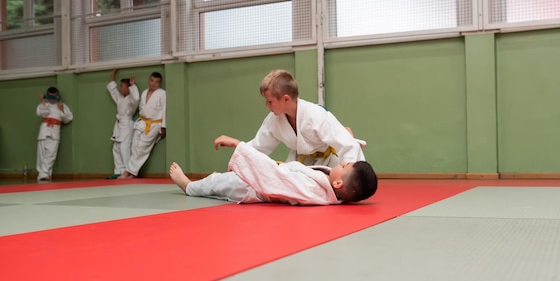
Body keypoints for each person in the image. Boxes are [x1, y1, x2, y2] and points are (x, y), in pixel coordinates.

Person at [169, 135, 378, 205]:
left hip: (255, 187)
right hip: (265, 178)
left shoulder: (313, 190)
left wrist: (239, 145)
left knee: (217, 182)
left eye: (342, 166)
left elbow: (277, 177)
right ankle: (196, 185)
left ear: (338, 184)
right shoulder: (327, 188)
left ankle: (189, 186)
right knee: (220, 184)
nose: (339, 163)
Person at [247, 69, 366, 167]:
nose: (267, 106)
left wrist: (347, 170)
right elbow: (258, 146)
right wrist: (240, 158)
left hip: (329, 161)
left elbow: (348, 145)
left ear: (286, 99)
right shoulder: (274, 120)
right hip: (300, 163)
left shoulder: (316, 115)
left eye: (270, 101)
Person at [118, 72, 166, 179]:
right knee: (134, 147)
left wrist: (164, 126)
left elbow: (164, 109)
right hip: (142, 122)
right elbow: (140, 108)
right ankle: (133, 173)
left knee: (142, 148)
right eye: (152, 81)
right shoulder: (144, 93)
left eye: (157, 82)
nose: (154, 84)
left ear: (160, 83)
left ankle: (127, 172)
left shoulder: (162, 93)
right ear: (149, 80)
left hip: (154, 124)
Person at [106, 69, 140, 179]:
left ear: (128, 88)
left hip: (127, 125)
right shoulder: (120, 99)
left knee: (124, 149)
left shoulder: (131, 100)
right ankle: (118, 171)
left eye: (122, 86)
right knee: (116, 148)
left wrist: (132, 85)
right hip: (119, 125)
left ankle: (127, 171)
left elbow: (136, 98)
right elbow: (112, 89)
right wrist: (113, 73)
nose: (120, 88)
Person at [35, 87, 73, 181]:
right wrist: (43, 101)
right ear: (47, 95)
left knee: (51, 155)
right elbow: (42, 114)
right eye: (50, 96)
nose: (52, 99)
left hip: (55, 132)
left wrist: (61, 110)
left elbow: (68, 119)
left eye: (54, 96)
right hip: (44, 131)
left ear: (57, 96)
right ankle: (44, 174)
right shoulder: (44, 105)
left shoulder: (62, 105)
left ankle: (43, 173)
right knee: (42, 155)